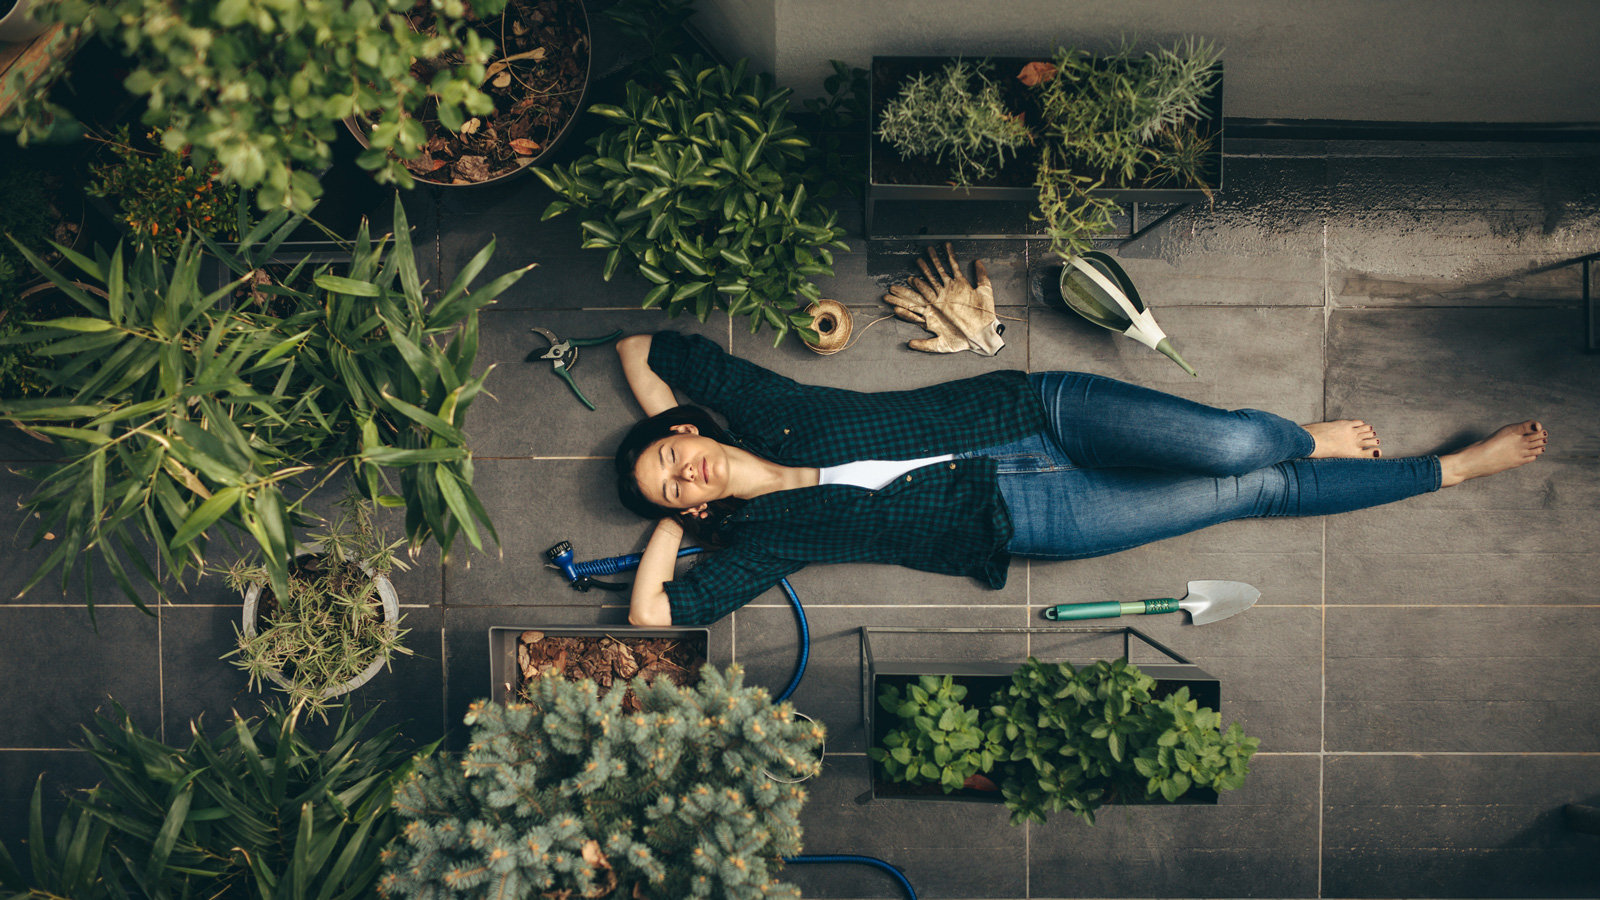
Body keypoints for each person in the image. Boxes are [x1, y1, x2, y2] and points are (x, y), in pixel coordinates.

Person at [614, 331, 1548, 627]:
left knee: (1235, 449)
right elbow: (659, 616)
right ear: (697, 506)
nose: (683, 471)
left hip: (1028, 412)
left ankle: (1295, 436)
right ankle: (1453, 470)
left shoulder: (763, 402)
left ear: (687, 426)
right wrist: (672, 525)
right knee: (1255, 492)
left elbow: (644, 345)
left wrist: (651, 418)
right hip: (1030, 515)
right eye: (675, 487)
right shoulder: (774, 538)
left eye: (669, 455)